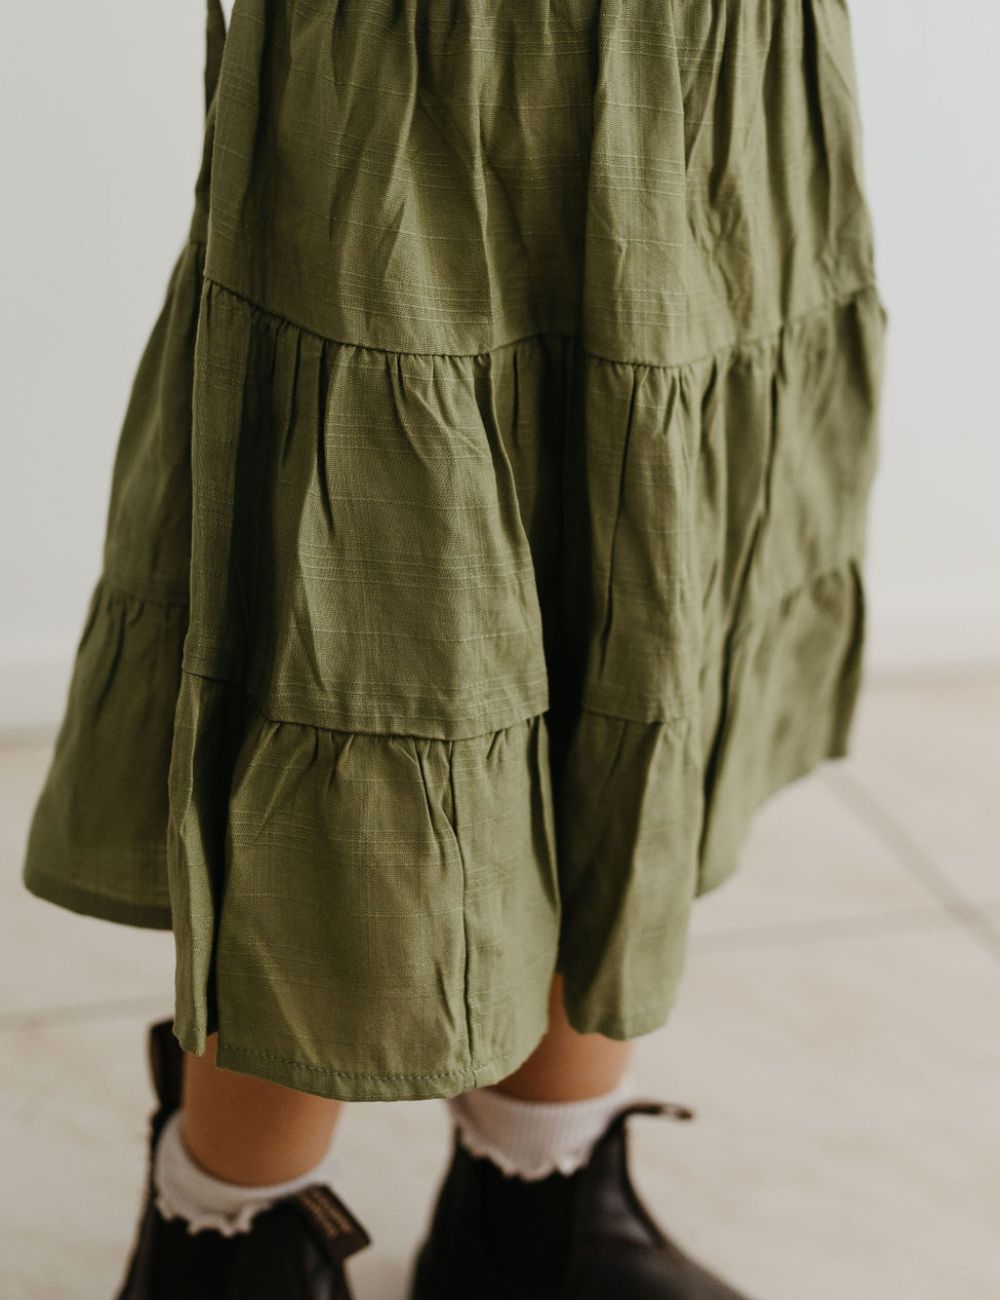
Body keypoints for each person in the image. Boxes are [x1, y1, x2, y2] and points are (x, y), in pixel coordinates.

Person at [21, 1, 888, 1296]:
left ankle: (538, 1200)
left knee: (636, 591)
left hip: (716, 48)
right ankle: (226, 1235)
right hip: (414, 48)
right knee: (368, 623)